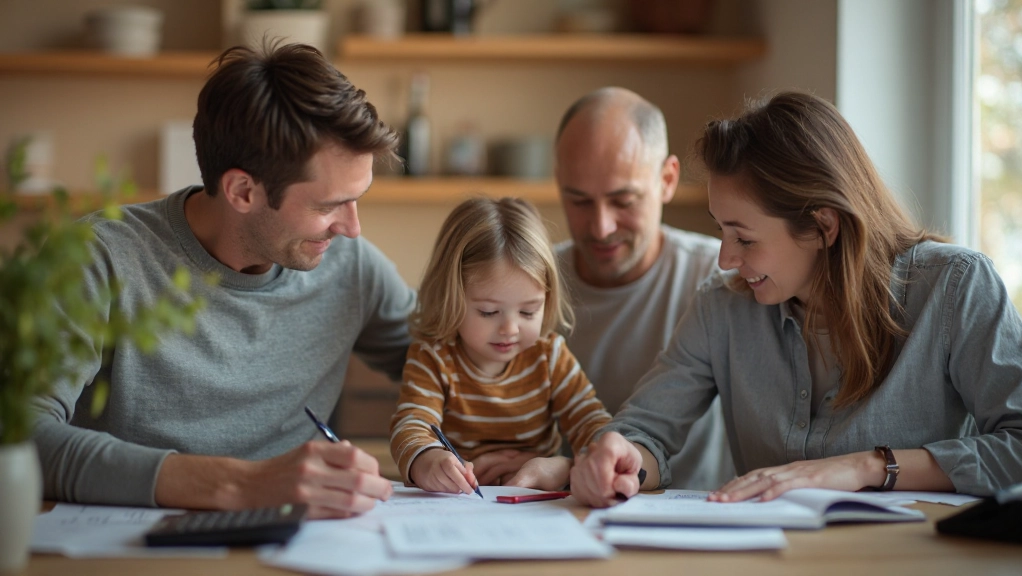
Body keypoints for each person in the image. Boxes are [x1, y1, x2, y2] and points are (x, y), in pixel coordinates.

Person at [570, 91, 1022, 507]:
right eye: (720, 232)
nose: (726, 259)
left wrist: (868, 467)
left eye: (744, 239)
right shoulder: (721, 308)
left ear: (823, 226)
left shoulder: (955, 286)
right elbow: (646, 430)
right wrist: (622, 455)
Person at [31, 43, 416, 518]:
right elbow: (19, 436)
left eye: (358, 199)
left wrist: (533, 455)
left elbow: (465, 365)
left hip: (303, 548)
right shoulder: (99, 257)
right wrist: (244, 484)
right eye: (327, 205)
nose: (352, 228)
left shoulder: (352, 267)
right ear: (242, 191)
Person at [552, 87, 734, 491]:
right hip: (555, 511)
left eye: (623, 200)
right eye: (579, 201)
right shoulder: (531, 284)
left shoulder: (722, 278)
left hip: (693, 524)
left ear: (667, 179)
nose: (601, 227)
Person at [390, 197, 612, 494]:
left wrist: (567, 466)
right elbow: (413, 424)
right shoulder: (433, 357)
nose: (510, 329)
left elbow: (592, 424)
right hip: (463, 504)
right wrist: (428, 460)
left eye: (528, 312)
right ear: (450, 297)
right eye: (489, 312)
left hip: (540, 503)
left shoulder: (549, 355)